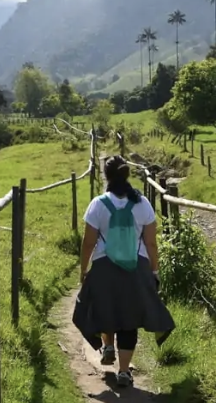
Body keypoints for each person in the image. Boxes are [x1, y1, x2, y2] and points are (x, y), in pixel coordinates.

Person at [72, 155, 175, 387]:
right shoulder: (142, 204)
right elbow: (151, 243)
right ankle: (124, 371)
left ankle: (107, 346)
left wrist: (84, 269)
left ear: (106, 176)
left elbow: (88, 242)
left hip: (104, 266)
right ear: (127, 175)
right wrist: (154, 271)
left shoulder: (98, 204)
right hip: (136, 268)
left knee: (106, 308)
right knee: (129, 318)